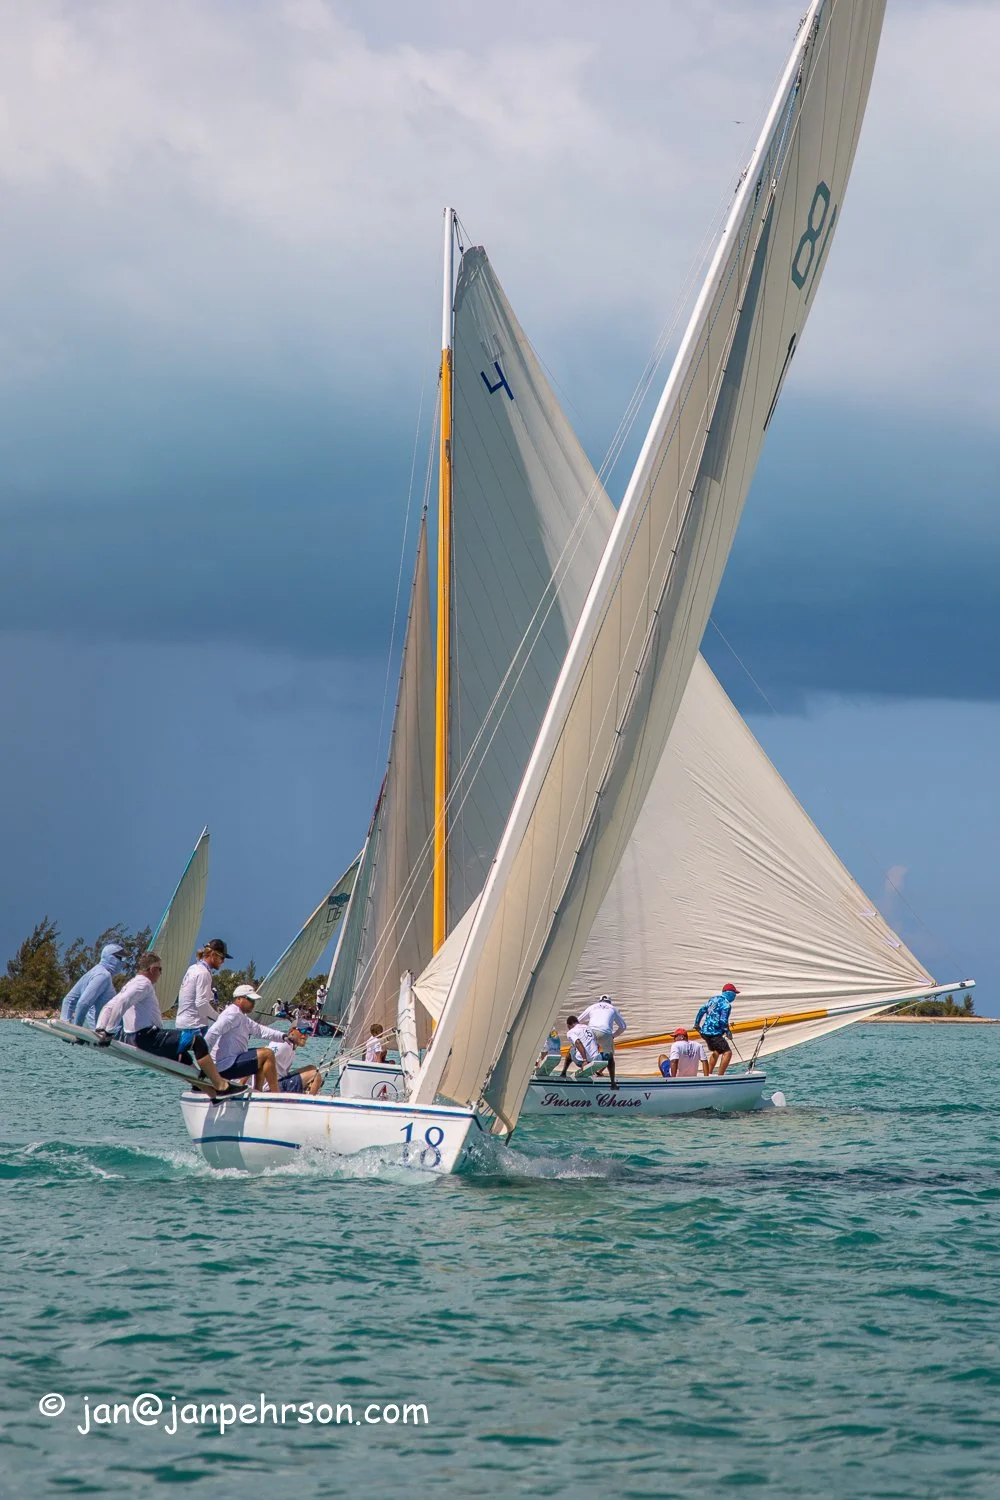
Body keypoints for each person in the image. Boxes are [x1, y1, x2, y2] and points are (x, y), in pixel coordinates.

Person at [95, 952, 247, 1096]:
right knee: (197, 1041)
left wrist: (100, 1028)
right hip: (149, 1038)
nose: (161, 973)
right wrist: (109, 1031)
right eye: (160, 969)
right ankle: (221, 1086)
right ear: (153, 969)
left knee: (183, 1058)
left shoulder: (131, 983)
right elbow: (121, 1002)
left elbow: (109, 1006)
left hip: (137, 1038)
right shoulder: (144, 984)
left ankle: (209, 1093)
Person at [204, 985, 285, 1093]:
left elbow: (260, 1030)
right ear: (239, 999)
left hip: (231, 1061)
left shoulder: (242, 1016)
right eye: (250, 999)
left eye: (254, 1000)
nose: (253, 1003)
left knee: (261, 1056)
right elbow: (212, 1032)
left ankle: (258, 1093)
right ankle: (276, 1095)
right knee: (267, 1054)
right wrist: (204, 1061)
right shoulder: (232, 1014)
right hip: (224, 1066)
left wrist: (284, 1037)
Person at [60, 944, 125, 1027]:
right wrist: (76, 1029)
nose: (123, 962)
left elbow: (68, 1000)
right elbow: (83, 1003)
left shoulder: (92, 972)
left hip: (102, 1029)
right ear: (110, 958)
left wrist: (65, 1022)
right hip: (105, 1032)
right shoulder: (104, 976)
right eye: (121, 958)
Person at [175, 939, 233, 1032]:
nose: (223, 962)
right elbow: (201, 1004)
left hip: (182, 1024)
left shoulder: (193, 968)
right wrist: (220, 1019)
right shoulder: (203, 973)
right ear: (213, 955)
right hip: (195, 1027)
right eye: (222, 958)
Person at [576, 994, 626, 1087]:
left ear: (599, 1001)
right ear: (610, 1002)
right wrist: (613, 1036)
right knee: (609, 1057)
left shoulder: (592, 1007)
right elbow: (623, 1026)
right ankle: (612, 1082)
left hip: (590, 1031)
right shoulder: (613, 1008)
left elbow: (578, 1020)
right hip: (605, 1033)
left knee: (589, 1053)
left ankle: (587, 1069)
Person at [561, 1014, 618, 1088]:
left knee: (571, 1049)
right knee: (610, 1055)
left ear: (568, 1025)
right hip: (596, 1059)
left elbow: (578, 1043)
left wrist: (585, 1060)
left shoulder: (571, 1032)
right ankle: (613, 1083)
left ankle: (563, 1072)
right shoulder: (588, 1028)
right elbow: (596, 1044)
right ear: (577, 1022)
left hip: (581, 1061)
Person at [694, 983, 739, 1075]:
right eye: (734, 993)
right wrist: (728, 1032)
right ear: (730, 993)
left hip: (704, 1032)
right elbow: (723, 1021)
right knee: (727, 1053)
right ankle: (720, 1076)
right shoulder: (726, 1004)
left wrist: (697, 1024)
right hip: (714, 1033)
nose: (735, 996)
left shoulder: (713, 999)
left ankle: (708, 1074)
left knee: (717, 1051)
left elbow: (701, 1010)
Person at [268, 1027, 323, 1096]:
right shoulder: (284, 1046)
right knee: (315, 1075)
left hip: (279, 1080)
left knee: (312, 1068)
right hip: (271, 1088)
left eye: (308, 1032)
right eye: (302, 1031)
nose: (305, 1035)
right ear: (292, 1031)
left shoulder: (288, 1045)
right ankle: (310, 1103)